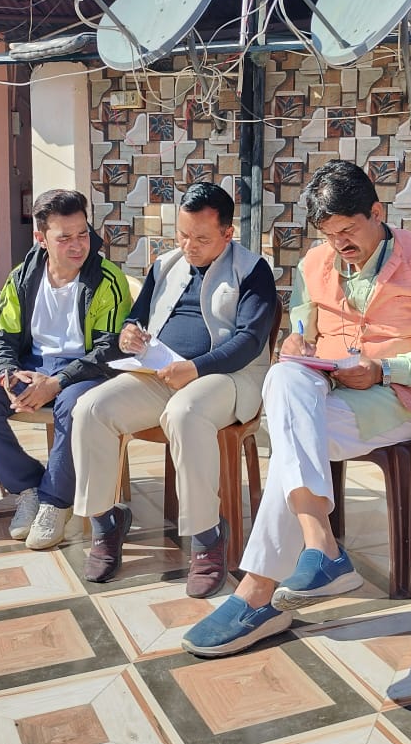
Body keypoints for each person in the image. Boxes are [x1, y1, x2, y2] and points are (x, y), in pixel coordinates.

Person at [183, 160, 411, 656]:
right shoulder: (315, 263)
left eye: (348, 231)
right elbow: (301, 327)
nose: (340, 244)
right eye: (330, 235)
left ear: (377, 212)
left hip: (397, 399)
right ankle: (320, 544)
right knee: (284, 376)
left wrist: (385, 369)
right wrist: (296, 342)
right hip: (327, 393)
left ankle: (260, 591)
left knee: (291, 445)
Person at [70, 182, 278, 597]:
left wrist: (197, 367)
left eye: (201, 238)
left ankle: (206, 538)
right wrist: (130, 334)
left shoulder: (253, 270)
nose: (189, 246)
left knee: (186, 414)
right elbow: (137, 317)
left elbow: (250, 341)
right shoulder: (165, 265)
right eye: (183, 235)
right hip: (162, 374)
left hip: (229, 377)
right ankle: (105, 523)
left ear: (227, 234)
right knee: (89, 408)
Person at [0, 189, 132, 550]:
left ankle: (56, 502)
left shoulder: (108, 280)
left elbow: (108, 349)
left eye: (82, 233)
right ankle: (29, 487)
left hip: (85, 371)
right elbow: (2, 337)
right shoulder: (21, 277)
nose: (77, 245)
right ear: (41, 238)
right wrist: (7, 374)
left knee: (72, 405)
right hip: (31, 367)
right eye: (64, 237)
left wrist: (57, 382)